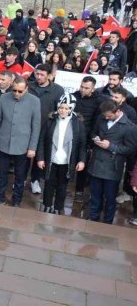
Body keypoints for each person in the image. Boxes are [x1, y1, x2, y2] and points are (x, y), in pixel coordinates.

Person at [0, 75, 41, 206]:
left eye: (20, 91)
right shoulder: (3, 97)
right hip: (4, 142)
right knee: (2, 173)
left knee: (20, 176)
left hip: (23, 146)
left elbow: (36, 127)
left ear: (26, 89)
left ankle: (16, 200)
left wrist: (32, 148)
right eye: (14, 90)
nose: (16, 93)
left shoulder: (34, 101)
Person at [36, 94, 87, 215]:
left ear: (71, 109)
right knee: (48, 184)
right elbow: (42, 140)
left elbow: (82, 144)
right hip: (51, 159)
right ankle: (47, 205)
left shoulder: (78, 124)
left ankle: (58, 207)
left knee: (62, 186)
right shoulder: (50, 120)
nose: (63, 110)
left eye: (66, 108)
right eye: (61, 108)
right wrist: (40, 158)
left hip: (67, 161)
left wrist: (81, 160)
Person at [87, 100, 137, 224]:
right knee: (95, 195)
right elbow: (93, 132)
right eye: (105, 115)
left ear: (118, 111)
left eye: (109, 116)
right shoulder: (101, 118)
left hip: (113, 167)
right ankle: (93, 218)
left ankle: (108, 223)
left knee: (110, 198)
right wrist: (95, 138)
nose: (106, 117)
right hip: (96, 163)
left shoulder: (130, 127)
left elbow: (130, 149)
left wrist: (111, 146)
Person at [28, 63, 65, 195]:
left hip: (45, 128)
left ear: (49, 76)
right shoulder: (29, 86)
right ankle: (19, 178)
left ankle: (35, 180)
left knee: (40, 155)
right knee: (24, 155)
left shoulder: (58, 90)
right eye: (37, 73)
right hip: (27, 126)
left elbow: (59, 110)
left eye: (42, 75)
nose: (38, 77)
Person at [71, 76, 104, 212]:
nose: (83, 90)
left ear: (93, 88)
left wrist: (91, 139)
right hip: (70, 134)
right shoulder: (73, 96)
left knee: (82, 165)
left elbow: (97, 122)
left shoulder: (98, 101)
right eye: (82, 87)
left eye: (86, 88)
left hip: (85, 138)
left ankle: (79, 190)